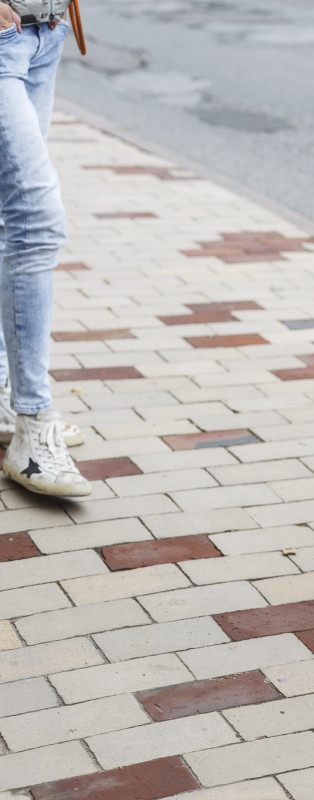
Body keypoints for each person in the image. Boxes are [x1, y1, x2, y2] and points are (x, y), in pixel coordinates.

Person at [0, 0, 90, 497]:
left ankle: (3, 392)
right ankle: (33, 426)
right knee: (35, 218)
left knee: (8, 217)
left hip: (45, 33)